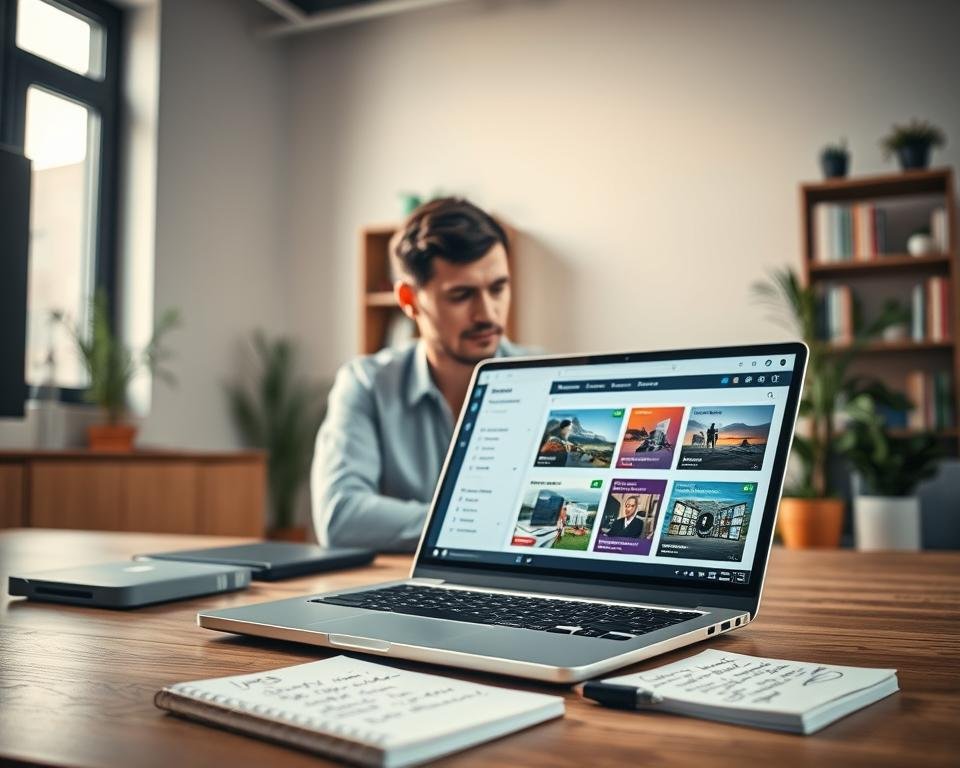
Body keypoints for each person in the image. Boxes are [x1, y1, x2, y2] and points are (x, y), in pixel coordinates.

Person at [311, 197, 527, 551]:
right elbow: (341, 515)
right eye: (461, 295)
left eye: (498, 288)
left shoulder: (551, 380)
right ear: (409, 300)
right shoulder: (366, 384)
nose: (488, 314)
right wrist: (480, 523)